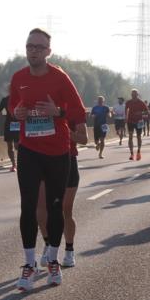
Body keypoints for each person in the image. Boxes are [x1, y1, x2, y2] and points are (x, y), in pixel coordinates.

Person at [8, 28, 87, 292]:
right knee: (28, 207)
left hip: (57, 151)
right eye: (30, 46)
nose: (34, 51)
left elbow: (77, 111)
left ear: (48, 52)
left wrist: (58, 111)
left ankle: (52, 259)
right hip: (29, 148)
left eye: (39, 47)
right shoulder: (19, 78)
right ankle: (30, 264)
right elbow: (13, 107)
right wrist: (17, 112)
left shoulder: (60, 78)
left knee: (55, 208)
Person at [38, 113, 86, 270]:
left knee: (65, 210)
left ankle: (69, 250)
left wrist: (64, 130)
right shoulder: (38, 107)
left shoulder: (72, 108)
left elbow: (84, 139)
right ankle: (48, 245)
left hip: (67, 160)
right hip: (43, 161)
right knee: (42, 208)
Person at [0, 88, 19, 171]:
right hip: (9, 124)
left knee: (17, 146)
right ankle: (14, 165)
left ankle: (20, 162)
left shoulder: (20, 98)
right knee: (10, 146)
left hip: (17, 123)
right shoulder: (5, 100)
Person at [125, 89, 148, 160]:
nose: (133, 96)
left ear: (137, 95)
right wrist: (125, 117)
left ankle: (138, 151)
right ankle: (131, 153)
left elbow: (147, 112)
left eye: (135, 94)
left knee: (138, 137)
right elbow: (125, 110)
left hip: (139, 122)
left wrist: (140, 113)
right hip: (130, 121)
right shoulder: (128, 102)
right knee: (130, 136)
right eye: (132, 94)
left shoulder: (141, 102)